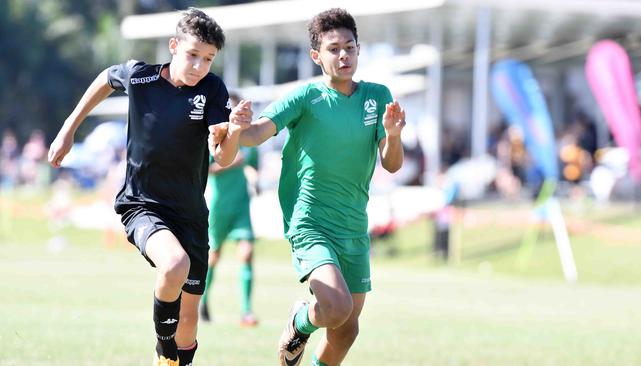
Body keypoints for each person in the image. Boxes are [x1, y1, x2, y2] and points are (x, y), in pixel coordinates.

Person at [48, 8, 252, 366]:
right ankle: (164, 354)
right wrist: (69, 128)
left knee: (188, 323)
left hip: (190, 214)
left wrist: (233, 131)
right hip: (142, 204)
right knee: (174, 265)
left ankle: (176, 357)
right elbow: (104, 79)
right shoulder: (139, 77)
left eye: (208, 59)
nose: (199, 66)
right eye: (192, 55)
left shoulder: (212, 89)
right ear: (173, 47)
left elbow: (223, 156)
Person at [209, 8, 406, 366]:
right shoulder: (304, 97)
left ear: (359, 49)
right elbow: (256, 134)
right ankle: (299, 322)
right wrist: (237, 127)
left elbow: (392, 163)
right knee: (335, 306)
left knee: (346, 328)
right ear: (316, 56)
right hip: (310, 223)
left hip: (353, 226)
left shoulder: (378, 96)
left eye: (350, 47)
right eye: (333, 49)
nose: (344, 55)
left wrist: (393, 135)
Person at [200, 92, 259, 327]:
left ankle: (246, 311)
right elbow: (207, 170)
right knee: (213, 256)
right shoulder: (214, 137)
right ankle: (201, 301)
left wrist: (255, 178)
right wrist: (232, 161)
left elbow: (253, 167)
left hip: (241, 202)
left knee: (247, 253)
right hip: (219, 204)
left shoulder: (251, 139)